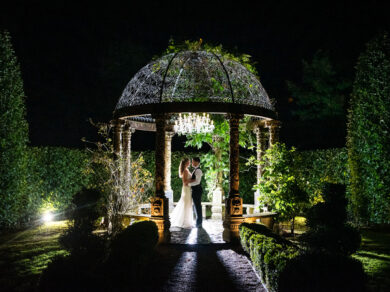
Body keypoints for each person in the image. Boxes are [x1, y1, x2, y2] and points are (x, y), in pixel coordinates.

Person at [170, 157, 194, 228]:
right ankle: (184, 221)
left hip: (187, 189)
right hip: (186, 189)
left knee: (186, 204)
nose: (189, 163)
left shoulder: (186, 170)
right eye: (189, 162)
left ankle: (185, 220)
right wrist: (193, 180)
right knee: (186, 204)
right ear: (186, 163)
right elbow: (184, 182)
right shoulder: (185, 171)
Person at [189, 157, 203, 228]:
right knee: (196, 206)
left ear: (197, 162)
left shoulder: (198, 171)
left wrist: (189, 184)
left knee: (197, 206)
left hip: (197, 190)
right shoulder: (195, 170)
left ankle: (199, 223)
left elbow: (197, 182)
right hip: (195, 190)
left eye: (193, 161)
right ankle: (198, 222)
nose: (192, 163)